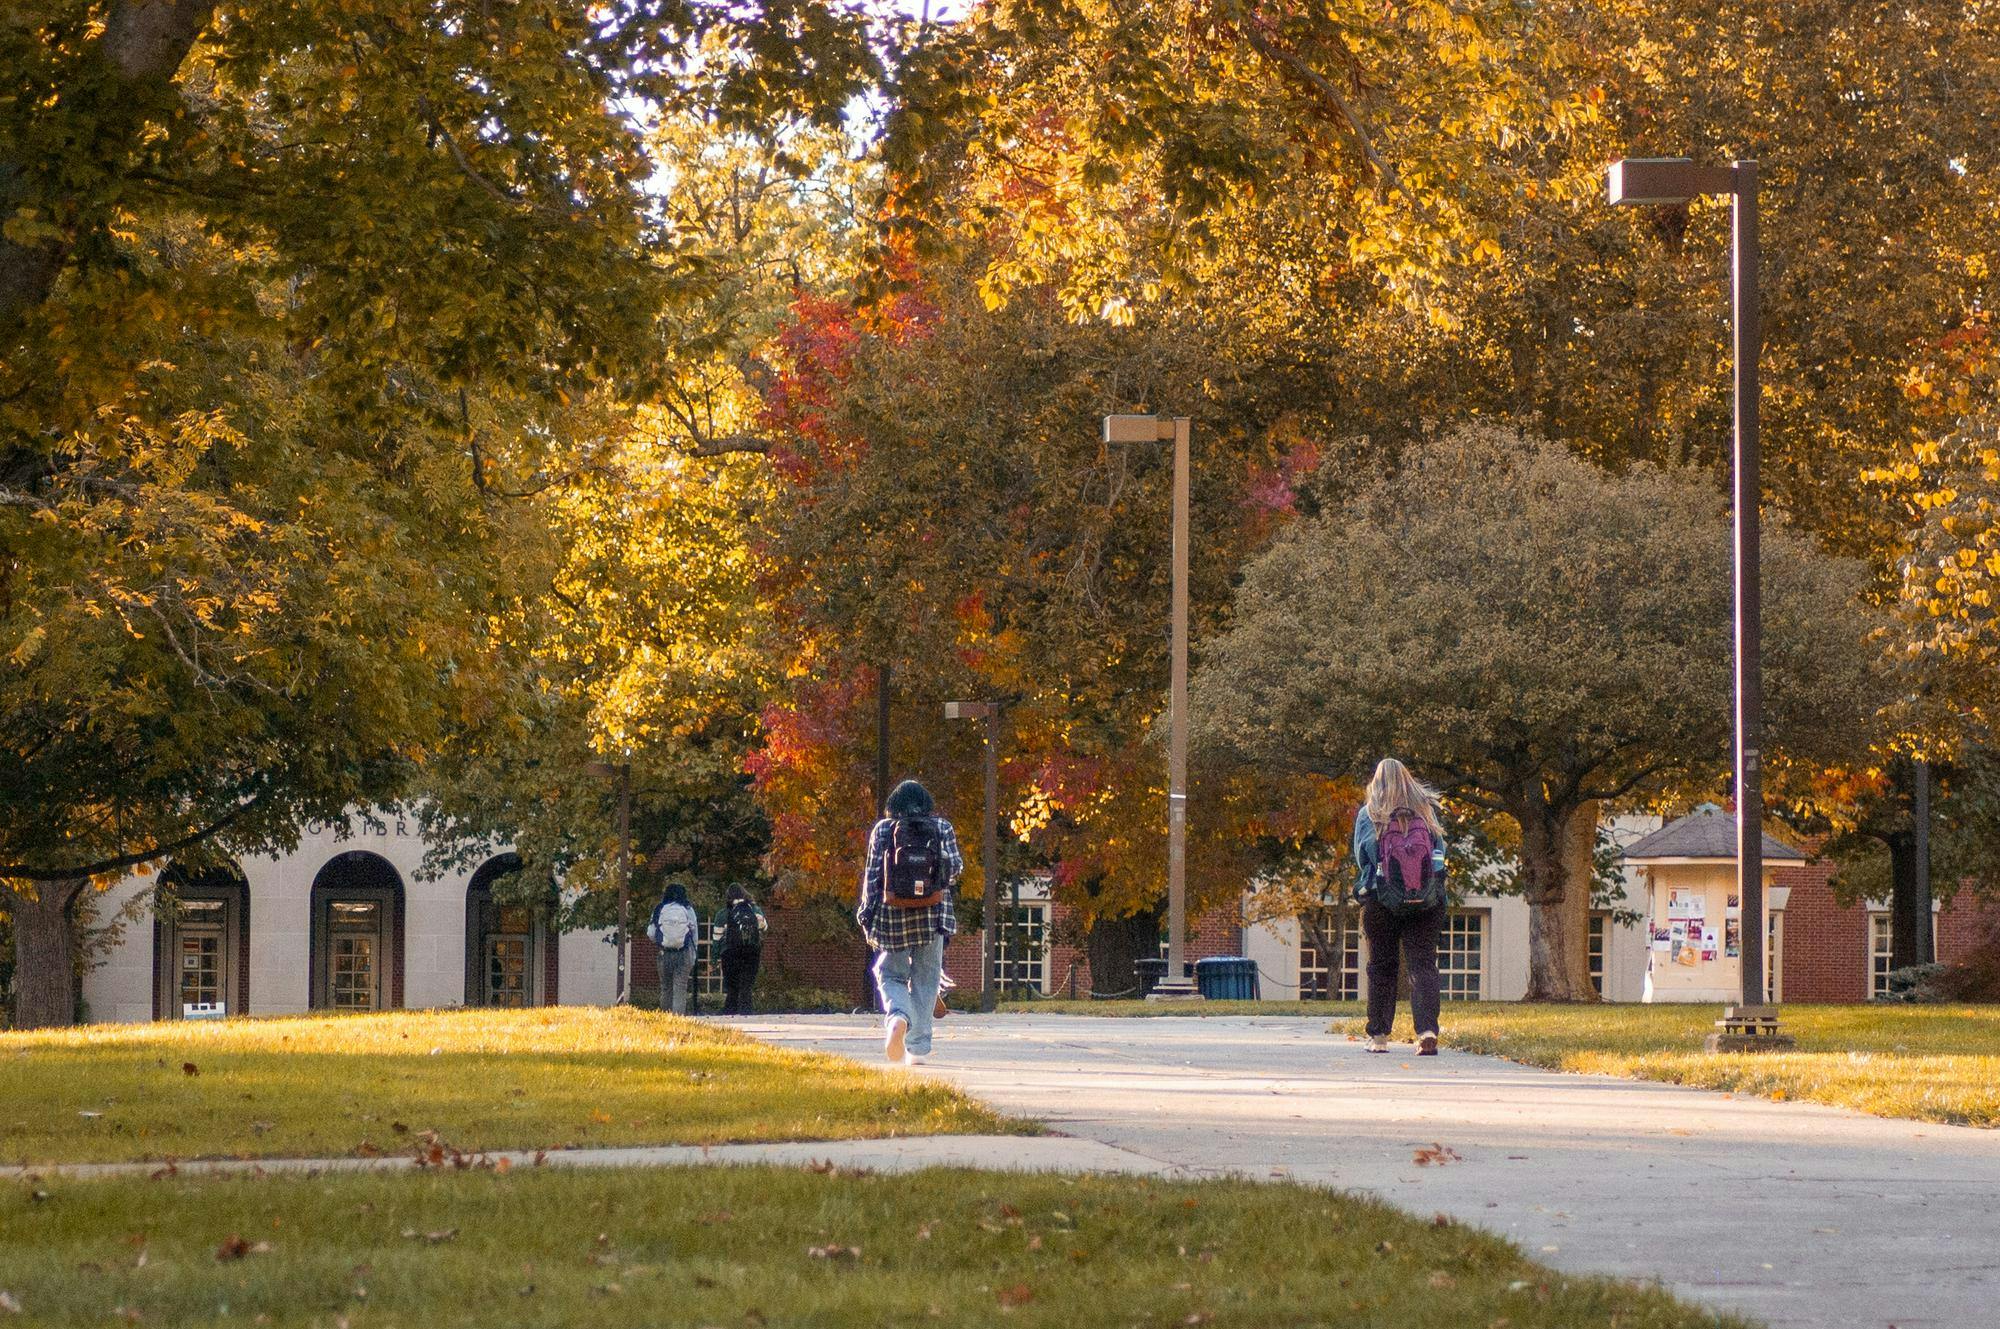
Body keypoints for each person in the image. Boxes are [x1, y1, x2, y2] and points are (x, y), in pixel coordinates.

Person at [856, 779, 963, 1065]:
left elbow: (873, 877)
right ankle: (916, 1050)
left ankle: (898, 1018)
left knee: (890, 974)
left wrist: (866, 914)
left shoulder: (883, 830)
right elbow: (954, 869)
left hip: (893, 917)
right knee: (926, 980)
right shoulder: (942, 828)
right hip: (933, 916)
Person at [1352, 757, 1449, 1057]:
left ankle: (1379, 1036)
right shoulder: (1426, 812)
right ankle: (1427, 1031)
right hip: (1426, 901)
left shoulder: (1369, 814)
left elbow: (1362, 858)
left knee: (1381, 967)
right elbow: (1440, 855)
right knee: (1423, 965)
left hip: (1382, 900)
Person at [715, 883, 768, 1016]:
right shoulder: (755, 910)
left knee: (732, 987)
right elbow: (764, 928)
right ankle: (746, 1012)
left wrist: (714, 959)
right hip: (751, 952)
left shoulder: (722, 914)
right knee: (746, 986)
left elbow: (717, 940)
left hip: (729, 953)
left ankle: (730, 1014)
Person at [647, 882, 699, 1015]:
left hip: (664, 953)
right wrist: (693, 954)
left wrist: (662, 941)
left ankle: (665, 1018)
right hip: (683, 953)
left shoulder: (659, 908)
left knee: (666, 988)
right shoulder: (688, 909)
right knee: (680, 988)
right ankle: (678, 1019)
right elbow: (694, 934)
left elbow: (651, 933)